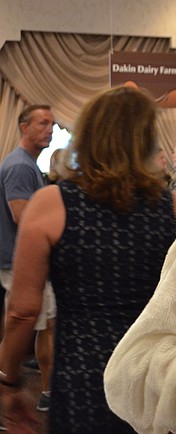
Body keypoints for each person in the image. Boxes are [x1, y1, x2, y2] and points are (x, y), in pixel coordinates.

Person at [0, 87, 176, 434]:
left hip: (83, 380)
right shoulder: (175, 211)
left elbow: (22, 311)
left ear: (89, 136)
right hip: (153, 380)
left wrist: (9, 381)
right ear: (146, 141)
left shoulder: (52, 204)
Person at [0, 104, 56, 414]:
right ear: (24, 127)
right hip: (21, 264)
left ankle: (48, 391)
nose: (50, 129)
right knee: (17, 335)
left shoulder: (27, 164)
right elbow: (24, 220)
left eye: (52, 124)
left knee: (45, 327)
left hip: (24, 263)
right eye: (43, 123)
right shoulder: (20, 166)